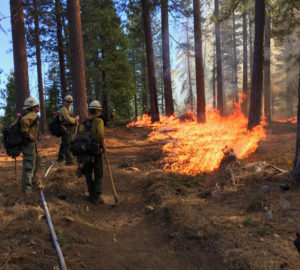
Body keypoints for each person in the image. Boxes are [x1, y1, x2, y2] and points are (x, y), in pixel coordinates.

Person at [78, 100, 104, 204]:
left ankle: (91, 194)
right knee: (98, 172)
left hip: (85, 150)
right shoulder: (98, 121)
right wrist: (102, 146)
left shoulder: (84, 122)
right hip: (95, 150)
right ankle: (96, 196)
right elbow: (100, 135)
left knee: (88, 172)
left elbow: (80, 134)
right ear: (98, 110)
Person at [20, 97, 40, 193]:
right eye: (37, 106)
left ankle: (30, 182)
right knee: (29, 167)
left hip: (30, 145)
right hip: (28, 144)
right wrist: (27, 134)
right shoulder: (32, 115)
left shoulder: (30, 114)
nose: (38, 107)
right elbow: (24, 121)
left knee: (37, 159)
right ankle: (26, 192)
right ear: (33, 108)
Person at [57, 95, 79, 165]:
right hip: (64, 129)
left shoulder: (68, 109)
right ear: (64, 101)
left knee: (64, 143)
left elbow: (70, 120)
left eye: (70, 102)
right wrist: (75, 119)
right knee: (68, 144)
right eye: (67, 101)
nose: (69, 103)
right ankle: (69, 161)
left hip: (67, 129)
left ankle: (60, 158)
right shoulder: (63, 109)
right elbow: (68, 119)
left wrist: (75, 122)